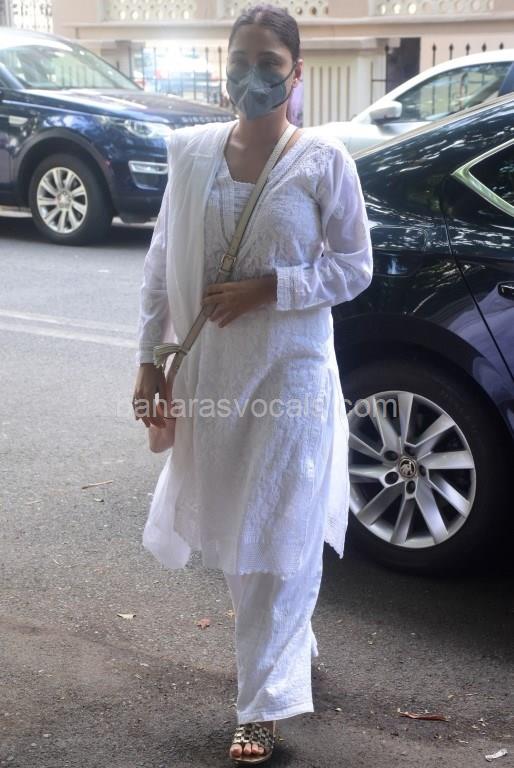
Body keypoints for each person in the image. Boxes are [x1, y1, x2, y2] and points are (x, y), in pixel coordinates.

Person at [132, 3, 373, 763]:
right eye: (241, 61)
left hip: (291, 378)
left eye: (270, 63)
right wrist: (149, 359)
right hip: (214, 377)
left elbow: (355, 267)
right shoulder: (193, 155)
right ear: (224, 67)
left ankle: (262, 705)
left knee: (279, 530)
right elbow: (160, 267)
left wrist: (272, 288)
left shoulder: (323, 159)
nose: (253, 76)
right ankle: (287, 646)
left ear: (297, 74)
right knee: (242, 535)